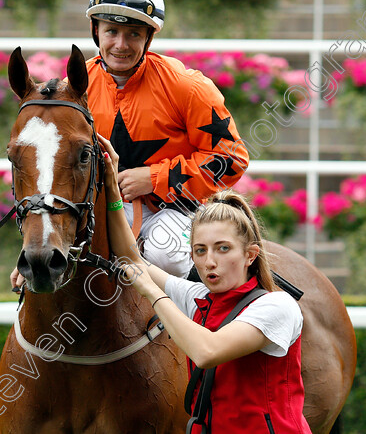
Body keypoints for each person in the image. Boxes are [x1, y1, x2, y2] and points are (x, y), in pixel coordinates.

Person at [11, 0, 249, 291]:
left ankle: (201, 332)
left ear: (149, 37)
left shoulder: (187, 87)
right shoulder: (71, 94)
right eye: (111, 31)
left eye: (134, 34)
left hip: (171, 213)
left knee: (165, 254)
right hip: (95, 213)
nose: (121, 45)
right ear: (96, 31)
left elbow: (231, 158)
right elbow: (48, 173)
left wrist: (153, 179)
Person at [98, 134, 311, 434]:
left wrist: (155, 295)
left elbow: (207, 351)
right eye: (200, 250)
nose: (209, 261)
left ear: (250, 255)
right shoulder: (198, 296)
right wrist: (111, 186)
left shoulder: (277, 306)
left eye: (223, 248)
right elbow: (131, 258)